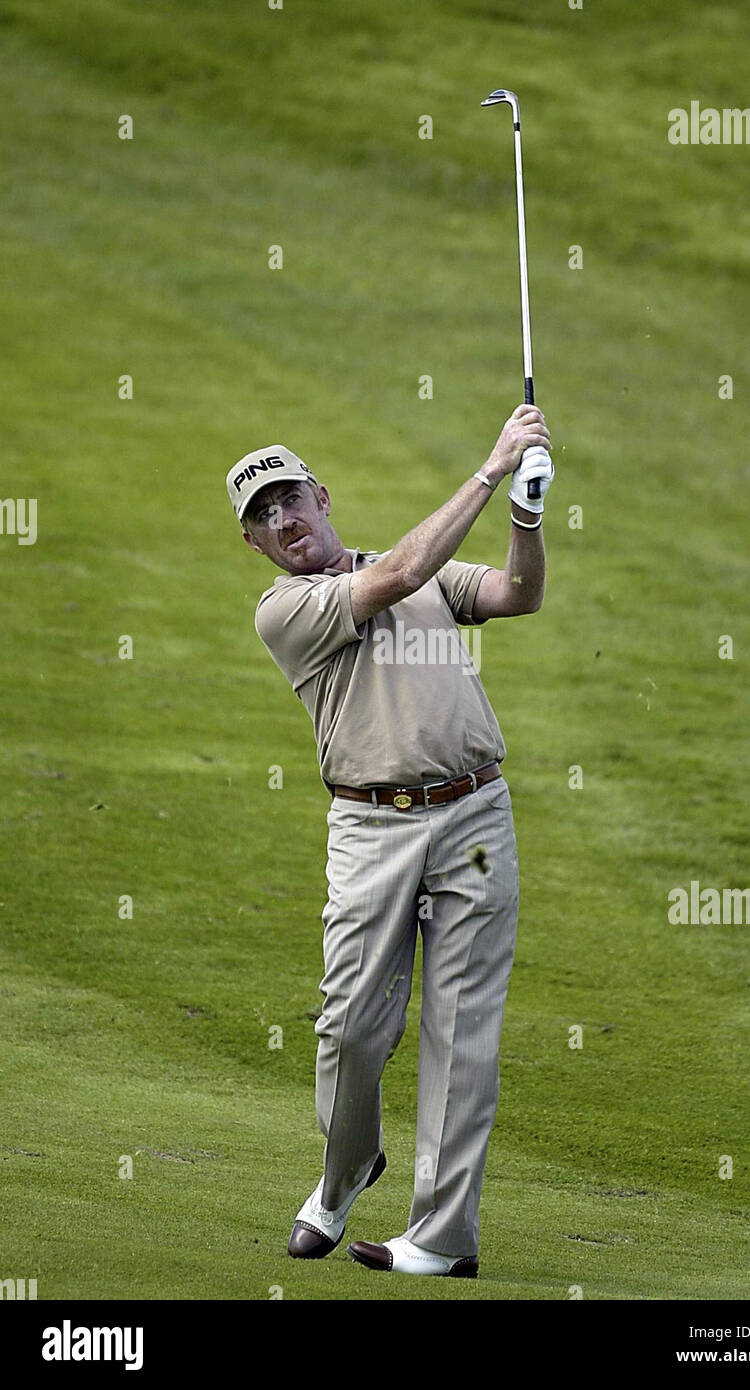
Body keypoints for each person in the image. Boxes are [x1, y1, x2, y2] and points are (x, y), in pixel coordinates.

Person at [225, 405, 553, 1277]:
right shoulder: (288, 609)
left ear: (322, 496)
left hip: (476, 819)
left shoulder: (425, 576)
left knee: (463, 1030)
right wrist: (491, 467)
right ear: (254, 545)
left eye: (289, 497)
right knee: (351, 1026)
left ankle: (441, 1238)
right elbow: (405, 570)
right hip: (370, 827)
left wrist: (526, 511)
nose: (282, 519)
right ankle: (343, 1173)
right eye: (261, 516)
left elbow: (518, 594)